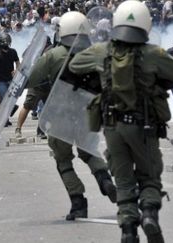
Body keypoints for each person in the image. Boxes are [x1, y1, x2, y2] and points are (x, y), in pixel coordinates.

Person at [69, 1, 173, 242]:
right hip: (143, 125)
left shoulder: (102, 50)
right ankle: (149, 214)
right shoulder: (153, 53)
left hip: (113, 126)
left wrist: (101, 72)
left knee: (123, 181)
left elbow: (74, 64)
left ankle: (128, 229)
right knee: (149, 176)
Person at [25, 11, 117, 221]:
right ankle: (105, 180)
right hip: (87, 113)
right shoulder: (97, 53)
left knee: (63, 160)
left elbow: (30, 80)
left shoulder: (53, 54)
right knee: (89, 152)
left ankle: (78, 203)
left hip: (59, 115)